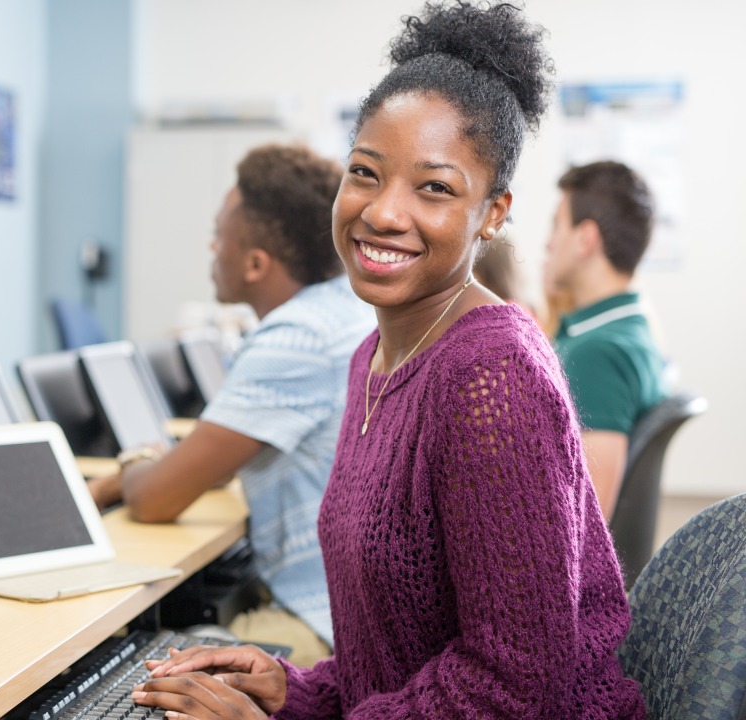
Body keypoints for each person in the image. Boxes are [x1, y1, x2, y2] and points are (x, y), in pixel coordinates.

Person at [131, 2, 647, 718]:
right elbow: (403, 656)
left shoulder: (492, 373)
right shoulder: (375, 356)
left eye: (433, 187)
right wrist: (297, 690)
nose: (382, 212)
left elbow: (513, 688)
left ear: (494, 213)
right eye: (366, 173)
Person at [89, 144, 375, 666]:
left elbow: (155, 500)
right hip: (351, 607)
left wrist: (133, 466)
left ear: (255, 264)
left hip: (323, 623)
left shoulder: (295, 339)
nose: (211, 245)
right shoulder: (342, 310)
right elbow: (218, 468)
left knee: (149, 671)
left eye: (220, 234)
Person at [544, 161, 668, 520]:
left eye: (556, 225)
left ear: (586, 239)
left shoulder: (597, 354)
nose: (549, 243)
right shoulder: (633, 329)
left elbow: (586, 520)